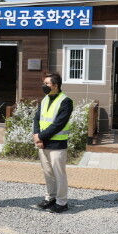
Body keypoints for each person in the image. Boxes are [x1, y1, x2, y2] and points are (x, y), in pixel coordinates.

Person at [33, 73, 73, 213]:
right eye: (43, 83)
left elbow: (58, 124)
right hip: (43, 143)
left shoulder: (65, 101)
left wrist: (40, 137)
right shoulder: (44, 99)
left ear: (55, 86)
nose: (43, 86)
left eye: (47, 84)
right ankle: (51, 198)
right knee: (48, 173)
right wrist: (36, 135)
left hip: (57, 145)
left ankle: (62, 203)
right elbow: (37, 118)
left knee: (59, 174)